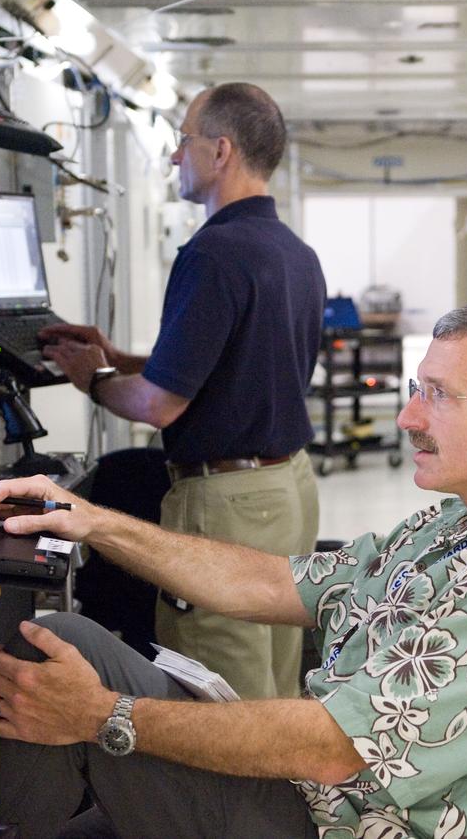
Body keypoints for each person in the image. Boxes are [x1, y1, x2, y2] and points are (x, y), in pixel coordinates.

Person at [0, 302, 467, 839]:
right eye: (415, 388)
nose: (407, 415)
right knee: (65, 659)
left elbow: (331, 748)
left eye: (438, 394)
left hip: (332, 821)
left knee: (59, 659)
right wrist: (91, 519)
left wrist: (107, 714)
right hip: (315, 799)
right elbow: (270, 582)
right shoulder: (460, 527)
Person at [38, 82, 326, 700]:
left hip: (227, 504)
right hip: (287, 490)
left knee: (218, 690)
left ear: (219, 151)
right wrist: (118, 356)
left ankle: (224, 800)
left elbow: (158, 404)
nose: (174, 157)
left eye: (183, 141)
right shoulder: (293, 253)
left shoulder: (214, 253)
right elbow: (235, 366)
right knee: (271, 679)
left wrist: (93, 378)